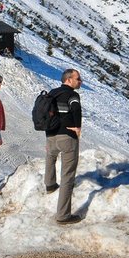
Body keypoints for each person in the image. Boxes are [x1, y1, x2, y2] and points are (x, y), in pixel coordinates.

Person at [44, 69, 83, 225]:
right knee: (68, 175)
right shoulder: (73, 95)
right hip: (67, 136)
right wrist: (77, 127)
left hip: (50, 134)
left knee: (50, 158)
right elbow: (76, 109)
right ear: (68, 80)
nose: (80, 82)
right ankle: (63, 215)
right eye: (78, 79)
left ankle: (50, 185)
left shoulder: (52, 93)